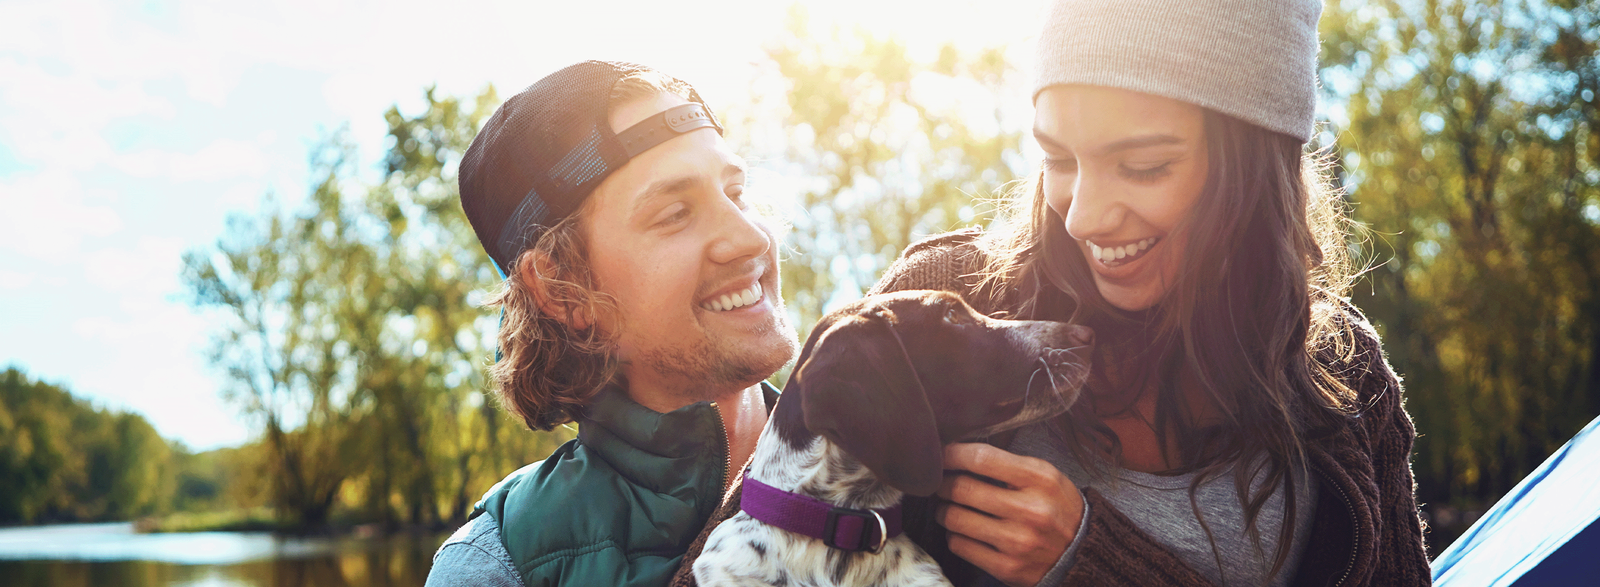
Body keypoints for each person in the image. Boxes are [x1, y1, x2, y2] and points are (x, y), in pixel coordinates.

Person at [868, 0, 1433, 585]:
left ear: (1255, 167)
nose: (1082, 220)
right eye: (1057, 159)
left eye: (1142, 165)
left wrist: (1096, 562)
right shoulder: (944, 303)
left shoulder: (1342, 371)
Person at [425, 61, 799, 587]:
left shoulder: (915, 463)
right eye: (674, 214)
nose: (751, 238)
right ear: (559, 289)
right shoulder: (496, 567)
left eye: (735, 192)